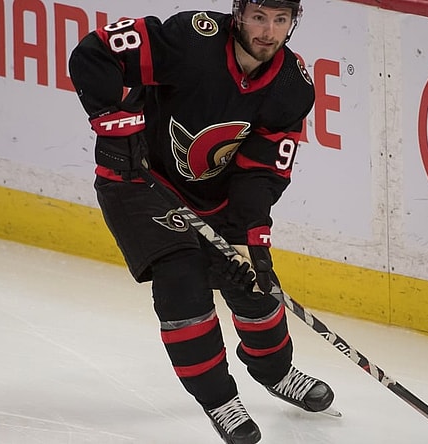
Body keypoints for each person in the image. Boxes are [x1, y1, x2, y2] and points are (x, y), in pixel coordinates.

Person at [68, 1, 334, 443]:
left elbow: (261, 171)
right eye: (259, 17)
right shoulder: (194, 38)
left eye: (281, 20)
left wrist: (252, 239)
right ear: (238, 13)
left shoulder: (291, 85)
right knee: (181, 281)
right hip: (138, 180)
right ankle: (220, 401)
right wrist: (114, 123)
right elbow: (95, 52)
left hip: (214, 196)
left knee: (254, 282)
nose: (268, 31)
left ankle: (276, 373)